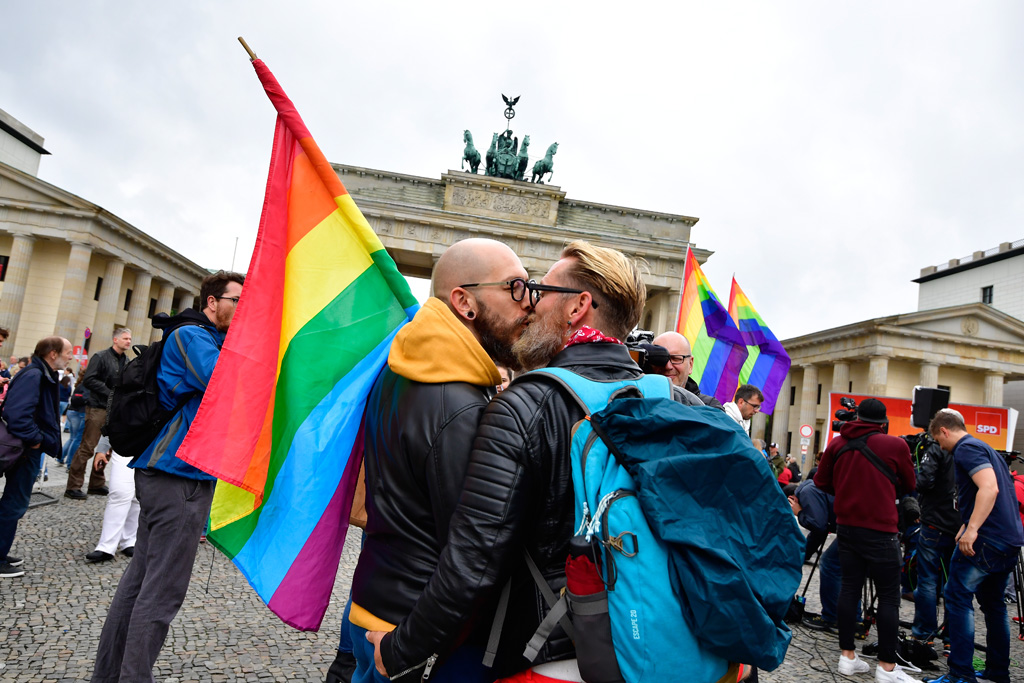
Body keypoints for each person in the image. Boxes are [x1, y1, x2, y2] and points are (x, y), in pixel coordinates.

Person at [367, 241, 706, 681]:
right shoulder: (684, 402)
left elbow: (474, 560)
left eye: (542, 291)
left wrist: (398, 650)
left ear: (578, 307)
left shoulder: (525, 406)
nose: (531, 304)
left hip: (549, 652)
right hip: (664, 643)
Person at [344, 238, 530, 683]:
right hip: (411, 624)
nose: (528, 305)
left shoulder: (405, 369)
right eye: (515, 289)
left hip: (377, 596)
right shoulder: (460, 403)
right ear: (464, 302)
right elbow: (466, 541)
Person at [91, 270, 244, 681]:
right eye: (236, 301)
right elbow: (226, 385)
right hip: (177, 476)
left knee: (140, 581)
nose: (241, 309)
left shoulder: (205, 337)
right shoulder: (193, 337)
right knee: (162, 592)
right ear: (212, 301)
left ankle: (108, 676)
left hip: (172, 473)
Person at [814, 398, 918, 682]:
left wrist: (849, 485)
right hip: (881, 529)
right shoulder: (896, 445)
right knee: (888, 596)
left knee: (849, 588)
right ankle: (886, 667)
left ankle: (847, 656)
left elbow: (821, 482)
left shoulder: (837, 444)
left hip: (847, 526)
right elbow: (910, 484)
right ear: (883, 422)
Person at [924, 409, 1024, 683]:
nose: (940, 447)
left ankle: (960, 674)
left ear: (944, 431)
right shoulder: (985, 447)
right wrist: (965, 523)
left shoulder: (965, 449)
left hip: (987, 539)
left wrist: (973, 529)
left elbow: (989, 488)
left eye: (938, 440)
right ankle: (997, 672)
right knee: (994, 605)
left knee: (957, 597)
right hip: (1009, 538)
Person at [0, 336, 72, 578]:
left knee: (14, 503)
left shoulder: (40, 373)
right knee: (14, 504)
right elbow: (17, 414)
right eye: (68, 352)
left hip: (27, 449)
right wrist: (37, 440)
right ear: (53, 353)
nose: (71, 356)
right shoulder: (34, 375)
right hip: (24, 450)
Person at [65, 326, 132, 500]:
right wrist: (110, 393)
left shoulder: (126, 361)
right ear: (115, 339)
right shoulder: (100, 357)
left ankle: (96, 483)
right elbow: (89, 379)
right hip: (97, 408)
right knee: (87, 447)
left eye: (130, 339)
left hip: (113, 410)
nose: (129, 341)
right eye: (125, 338)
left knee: (106, 449)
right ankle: (73, 486)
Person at [910, 433, 960, 645]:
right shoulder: (968, 450)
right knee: (954, 582)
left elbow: (924, 481)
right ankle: (950, 638)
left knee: (928, 580)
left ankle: (924, 634)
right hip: (959, 525)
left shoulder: (937, 448)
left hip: (934, 523)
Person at [85, 436, 139, 563]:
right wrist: (102, 449)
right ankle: (106, 546)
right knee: (119, 493)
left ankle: (130, 540)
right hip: (125, 444)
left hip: (154, 444)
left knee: (139, 495)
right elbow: (112, 418)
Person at [651, 330, 723, 408]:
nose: (668, 366)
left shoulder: (709, 407)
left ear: (690, 364)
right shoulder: (638, 397)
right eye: (660, 359)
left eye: (676, 359)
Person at [62, 368, 88, 466]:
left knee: (72, 438)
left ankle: (61, 458)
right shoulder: (87, 385)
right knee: (77, 439)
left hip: (72, 411)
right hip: (80, 412)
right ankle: (70, 463)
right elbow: (86, 398)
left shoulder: (79, 384)